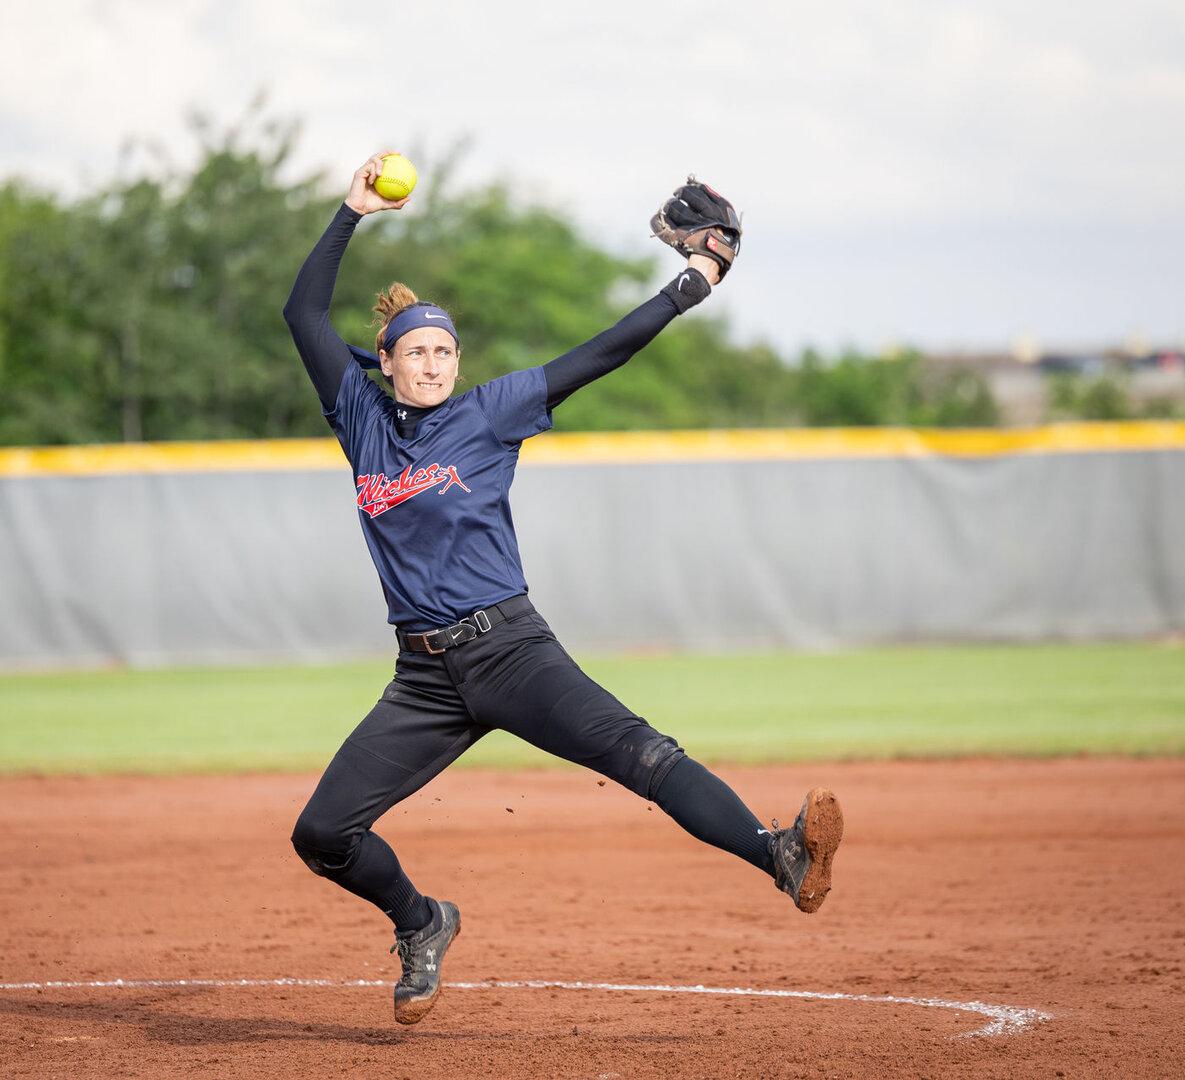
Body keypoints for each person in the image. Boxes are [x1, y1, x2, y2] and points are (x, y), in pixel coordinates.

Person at [282, 152, 843, 1025]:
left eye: (444, 351)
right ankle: (421, 922)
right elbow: (302, 313)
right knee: (321, 834)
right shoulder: (360, 421)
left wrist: (690, 285)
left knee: (643, 757)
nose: (432, 364)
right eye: (416, 352)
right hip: (423, 679)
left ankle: (779, 854)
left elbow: (600, 354)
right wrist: (351, 211)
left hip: (511, 651)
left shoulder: (487, 413)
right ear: (385, 362)